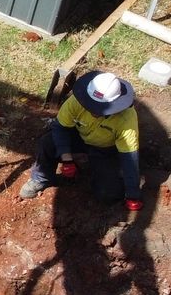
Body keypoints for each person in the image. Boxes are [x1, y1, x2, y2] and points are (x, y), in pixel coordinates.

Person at [20, 70, 143, 210]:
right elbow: (60, 128)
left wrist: (133, 194)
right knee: (47, 142)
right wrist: (67, 159)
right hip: (79, 136)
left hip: (105, 150)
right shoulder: (77, 101)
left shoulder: (126, 119)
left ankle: (102, 176)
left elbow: (129, 159)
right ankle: (41, 178)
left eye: (99, 109)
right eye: (91, 106)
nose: (94, 112)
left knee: (108, 195)